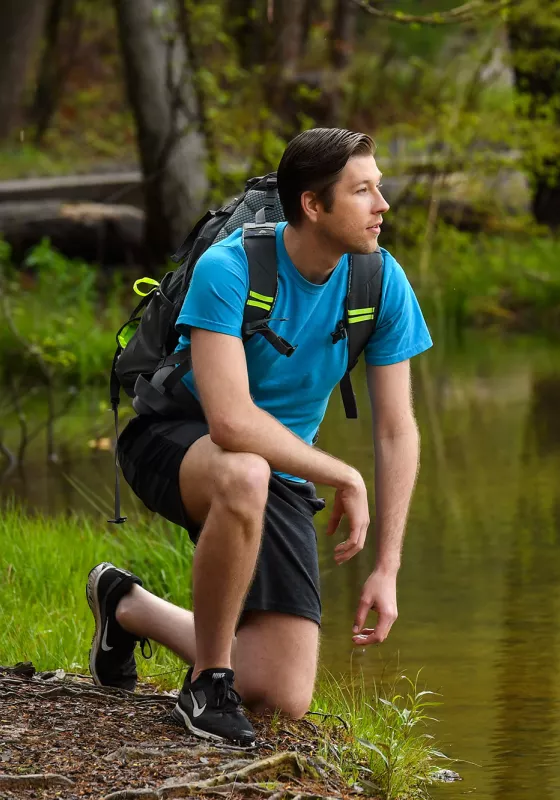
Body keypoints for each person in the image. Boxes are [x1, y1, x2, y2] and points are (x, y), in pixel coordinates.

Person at [85, 128, 432, 746]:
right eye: (363, 191)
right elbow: (231, 423)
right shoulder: (231, 267)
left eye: (379, 187)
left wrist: (388, 565)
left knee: (281, 692)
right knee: (245, 469)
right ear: (313, 205)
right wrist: (343, 473)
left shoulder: (379, 282)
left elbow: (397, 428)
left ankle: (124, 604)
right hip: (174, 442)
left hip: (279, 470)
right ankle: (206, 683)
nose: (384, 205)